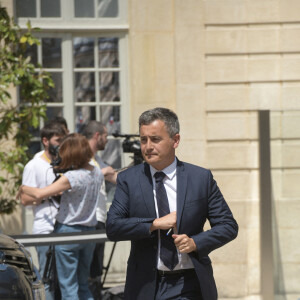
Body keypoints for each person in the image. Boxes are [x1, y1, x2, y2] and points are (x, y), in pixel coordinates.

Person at [106, 107, 238, 300]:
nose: (148, 146)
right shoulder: (129, 179)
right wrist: (154, 224)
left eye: (155, 139)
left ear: (175, 140)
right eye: (143, 140)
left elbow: (228, 226)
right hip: (145, 284)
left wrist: (195, 243)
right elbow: (113, 227)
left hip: (188, 284)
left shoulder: (200, 178)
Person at [18, 133, 103, 300]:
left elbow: (39, 193)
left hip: (68, 232)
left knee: (68, 286)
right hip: (90, 232)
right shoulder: (97, 172)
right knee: (83, 284)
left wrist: (23, 188)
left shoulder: (71, 177)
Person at [20, 121, 67, 300]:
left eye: (63, 140)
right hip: (44, 229)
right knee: (47, 280)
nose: (60, 144)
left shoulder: (63, 162)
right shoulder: (33, 165)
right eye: (57, 140)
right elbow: (24, 198)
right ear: (45, 141)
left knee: (64, 281)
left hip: (65, 228)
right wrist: (51, 193)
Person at [82, 120, 117, 299]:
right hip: (89, 219)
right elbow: (76, 178)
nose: (107, 140)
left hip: (100, 219)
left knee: (96, 270)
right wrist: (102, 173)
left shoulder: (97, 159)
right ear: (97, 136)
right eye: (105, 136)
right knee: (88, 271)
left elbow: (114, 177)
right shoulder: (82, 156)